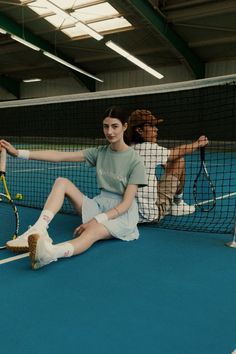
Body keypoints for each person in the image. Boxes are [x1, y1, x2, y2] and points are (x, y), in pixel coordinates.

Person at [0, 106, 147, 270]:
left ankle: (50, 254)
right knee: (61, 181)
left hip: (122, 214)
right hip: (100, 204)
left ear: (125, 127)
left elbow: (126, 204)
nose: (110, 132)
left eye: (115, 126)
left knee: (92, 232)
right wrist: (18, 153)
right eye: (106, 126)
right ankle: (39, 229)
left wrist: (96, 220)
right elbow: (59, 156)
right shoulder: (99, 152)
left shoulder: (136, 161)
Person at [126, 109, 209, 223]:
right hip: (151, 214)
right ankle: (177, 203)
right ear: (139, 130)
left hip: (128, 212)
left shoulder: (125, 148)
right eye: (152, 126)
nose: (156, 129)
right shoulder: (149, 148)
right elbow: (178, 152)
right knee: (179, 160)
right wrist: (198, 143)